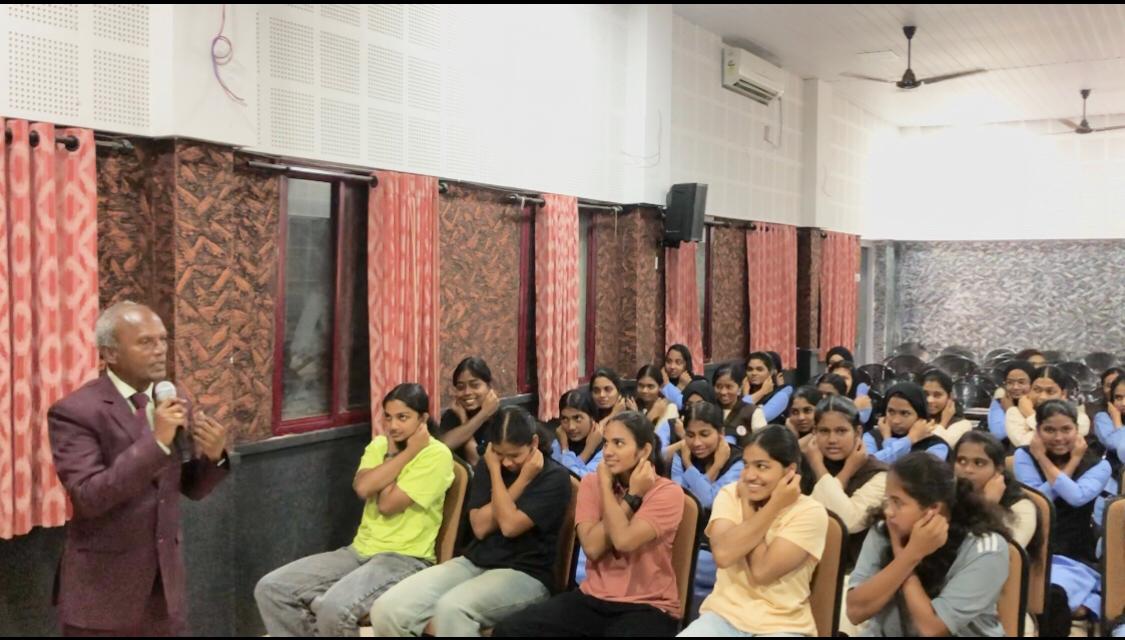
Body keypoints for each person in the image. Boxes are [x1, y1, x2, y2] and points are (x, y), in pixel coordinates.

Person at [48, 301, 230, 636]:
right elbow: (89, 496)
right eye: (145, 342)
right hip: (103, 593)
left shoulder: (175, 400)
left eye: (162, 340)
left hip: (165, 589)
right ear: (110, 353)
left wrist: (214, 457)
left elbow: (191, 488)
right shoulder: (75, 411)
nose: (160, 350)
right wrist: (156, 443)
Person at [255, 383, 453, 637]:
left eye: (403, 417)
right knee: (272, 588)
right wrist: (397, 454)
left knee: (335, 609)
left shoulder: (436, 455)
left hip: (404, 558)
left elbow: (387, 505)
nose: (393, 426)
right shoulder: (380, 446)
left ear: (423, 419)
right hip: (358, 551)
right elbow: (363, 487)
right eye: (389, 417)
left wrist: (410, 452)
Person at [370, 407, 570, 636]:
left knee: (452, 609)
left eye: (514, 455)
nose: (506, 463)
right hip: (474, 561)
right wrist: (496, 472)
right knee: (387, 608)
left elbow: (509, 526)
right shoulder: (490, 464)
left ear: (534, 443)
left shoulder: (554, 477)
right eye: (499, 453)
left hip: (525, 573)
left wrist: (520, 478)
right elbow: (481, 527)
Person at [493, 411, 685, 637]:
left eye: (619, 443)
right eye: (606, 443)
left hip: (648, 605)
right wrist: (613, 490)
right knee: (510, 630)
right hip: (593, 597)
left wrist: (631, 495)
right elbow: (593, 548)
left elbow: (623, 541)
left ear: (644, 451)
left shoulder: (667, 493)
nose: (609, 452)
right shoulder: (593, 483)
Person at [679, 425, 828, 637]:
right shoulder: (730, 494)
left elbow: (761, 572)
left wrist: (767, 507)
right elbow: (723, 554)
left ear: (790, 471)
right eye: (746, 465)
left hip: (782, 625)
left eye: (762, 466)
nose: (749, 476)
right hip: (723, 617)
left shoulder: (810, 513)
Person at [846, 453, 1012, 636]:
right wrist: (908, 556)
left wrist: (908, 556)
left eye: (897, 502)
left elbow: (931, 629)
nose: (888, 512)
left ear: (933, 509)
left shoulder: (985, 548)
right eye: (888, 500)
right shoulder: (886, 529)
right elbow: (855, 611)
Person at [436, 357, 502, 466]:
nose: (467, 392)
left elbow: (475, 462)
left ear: (490, 386)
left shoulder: (502, 418)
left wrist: (483, 414)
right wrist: (469, 418)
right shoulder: (453, 415)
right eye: (460, 387)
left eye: (475, 385)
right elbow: (441, 446)